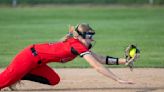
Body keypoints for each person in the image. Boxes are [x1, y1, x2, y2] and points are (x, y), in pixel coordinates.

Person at [0, 23, 140, 90]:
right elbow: (97, 66)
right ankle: (17, 74)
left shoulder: (78, 45)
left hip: (37, 62)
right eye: (89, 37)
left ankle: (21, 74)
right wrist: (118, 79)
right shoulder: (77, 45)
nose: (91, 40)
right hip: (28, 57)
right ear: (81, 37)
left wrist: (124, 61)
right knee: (2, 82)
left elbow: (101, 59)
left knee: (54, 80)